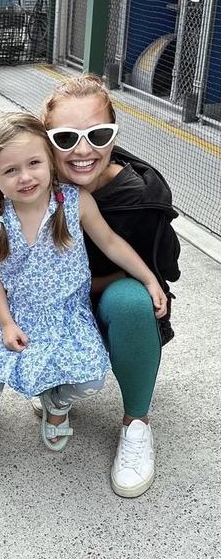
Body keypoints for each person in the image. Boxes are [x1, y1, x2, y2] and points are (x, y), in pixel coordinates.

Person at [0, 113, 167, 486]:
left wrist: (148, 277)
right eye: (10, 170)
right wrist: (5, 322)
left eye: (34, 163)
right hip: (12, 313)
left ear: (49, 160)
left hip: (65, 314)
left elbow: (110, 242)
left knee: (91, 380)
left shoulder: (73, 202)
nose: (25, 177)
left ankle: (56, 402)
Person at [41, 74, 180, 498]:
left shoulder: (138, 197)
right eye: (66, 138)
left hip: (103, 304)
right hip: (50, 306)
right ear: (45, 140)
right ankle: (53, 389)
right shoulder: (28, 181)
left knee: (132, 301)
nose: (83, 150)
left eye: (98, 134)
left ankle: (136, 424)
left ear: (114, 135)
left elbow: (161, 273)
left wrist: (108, 280)